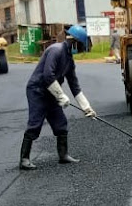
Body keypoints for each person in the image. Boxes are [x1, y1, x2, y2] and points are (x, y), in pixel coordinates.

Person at [19, 25, 97, 170]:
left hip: (52, 93)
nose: (80, 48)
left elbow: (74, 86)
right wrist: (61, 96)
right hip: (38, 90)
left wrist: (87, 108)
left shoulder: (69, 60)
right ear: (73, 41)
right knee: (35, 123)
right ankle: (24, 159)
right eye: (79, 45)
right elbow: (48, 75)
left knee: (61, 124)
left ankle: (63, 155)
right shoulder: (56, 50)